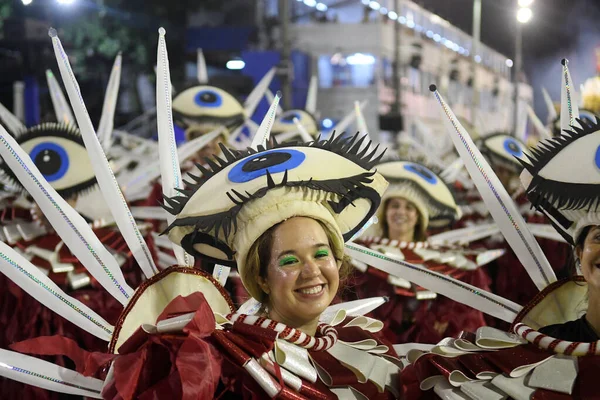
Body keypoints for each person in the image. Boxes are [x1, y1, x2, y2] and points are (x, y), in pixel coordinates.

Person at [0, 28, 402, 399]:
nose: (313, 271)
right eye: (290, 260)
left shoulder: (361, 342)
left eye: (321, 254)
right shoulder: (220, 368)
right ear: (257, 276)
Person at [349, 160, 491, 344]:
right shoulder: (360, 252)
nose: (401, 212)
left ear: (419, 217)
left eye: (409, 207)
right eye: (395, 205)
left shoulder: (444, 256)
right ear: (385, 211)